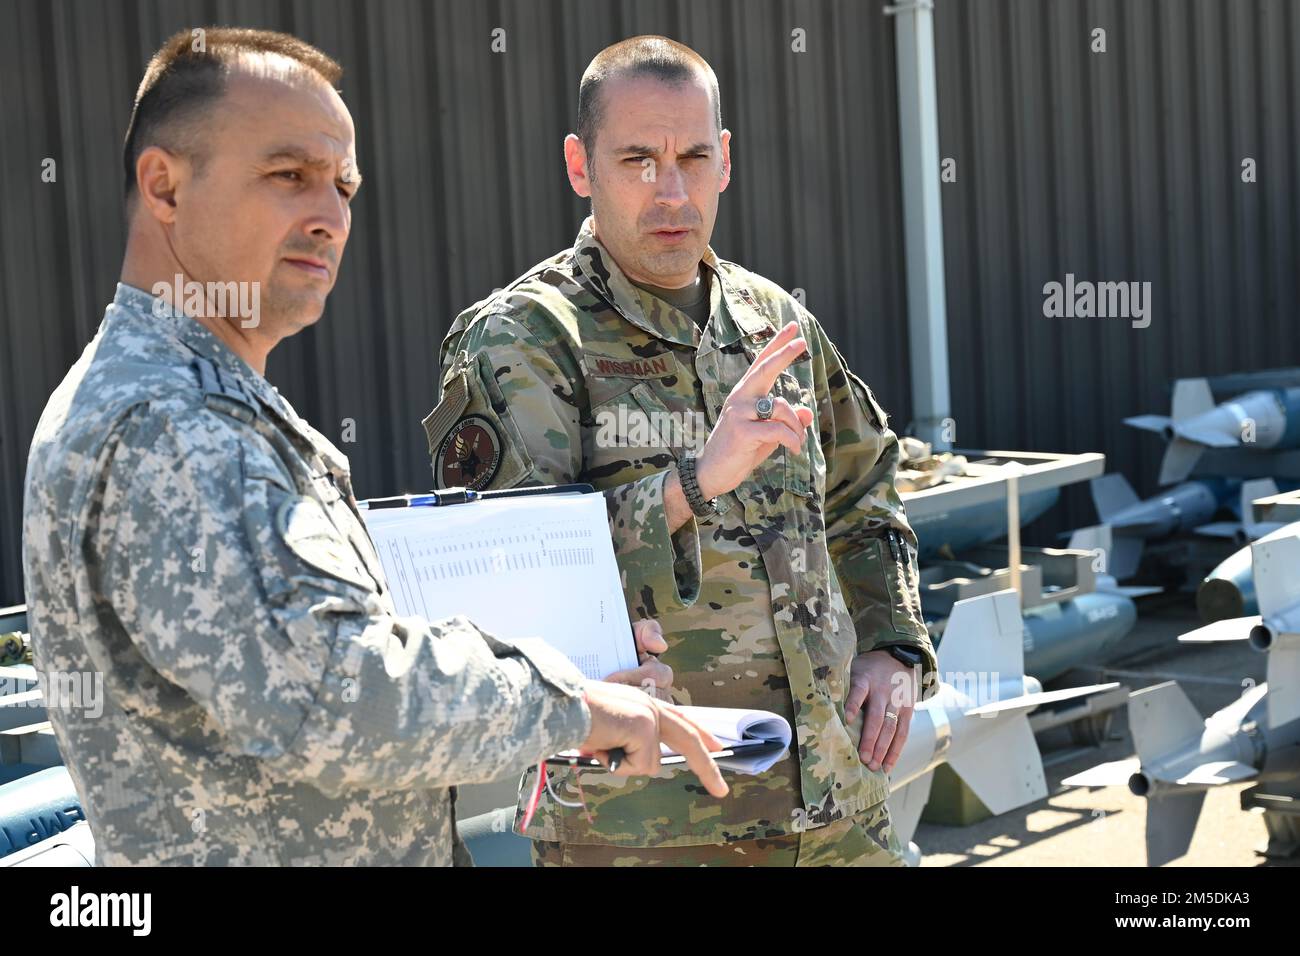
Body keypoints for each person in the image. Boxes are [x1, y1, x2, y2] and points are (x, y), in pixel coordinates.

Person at [21, 27, 725, 868]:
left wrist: (574, 658)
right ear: (165, 187)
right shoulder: (170, 426)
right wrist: (569, 699)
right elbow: (338, 696)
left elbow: (317, 655)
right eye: (289, 175)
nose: (328, 217)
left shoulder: (201, 404)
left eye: (344, 186)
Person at [425, 35, 937, 867]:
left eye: (693, 156)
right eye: (637, 160)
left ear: (725, 159)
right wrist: (694, 482)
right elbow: (508, 583)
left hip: (833, 806)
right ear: (579, 166)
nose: (672, 190)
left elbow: (864, 488)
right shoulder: (524, 338)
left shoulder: (775, 319)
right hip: (645, 825)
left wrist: (893, 641)